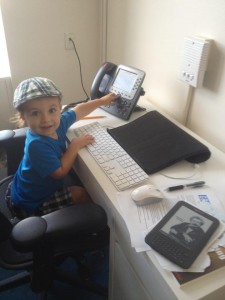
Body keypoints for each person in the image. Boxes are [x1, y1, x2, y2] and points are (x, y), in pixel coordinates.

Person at [7, 77, 118, 217]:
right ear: (23, 117)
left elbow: (78, 111)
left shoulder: (57, 124)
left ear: (60, 109)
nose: (46, 119)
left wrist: (101, 101)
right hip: (31, 203)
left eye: (52, 110)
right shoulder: (36, 145)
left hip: (24, 187)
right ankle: (97, 223)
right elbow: (59, 172)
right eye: (35, 113)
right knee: (80, 193)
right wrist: (74, 146)